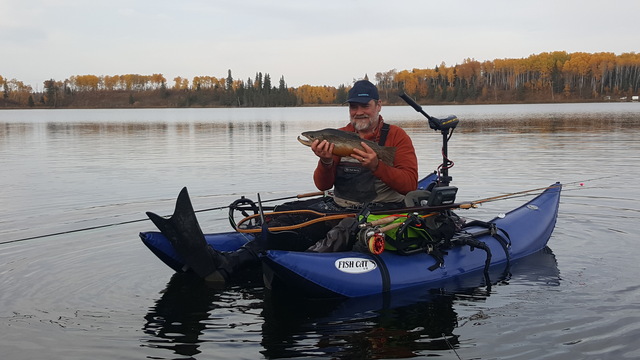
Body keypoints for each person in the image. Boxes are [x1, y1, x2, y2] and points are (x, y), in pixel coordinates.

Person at [146, 80, 419, 283]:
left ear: (378, 106)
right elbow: (323, 185)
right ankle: (229, 262)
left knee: (344, 230)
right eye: (353, 106)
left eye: (364, 106)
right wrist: (325, 161)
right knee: (287, 214)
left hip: (380, 211)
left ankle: (299, 268)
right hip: (339, 205)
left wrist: (377, 165)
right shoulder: (339, 135)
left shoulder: (396, 138)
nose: (358, 112)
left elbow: (409, 185)